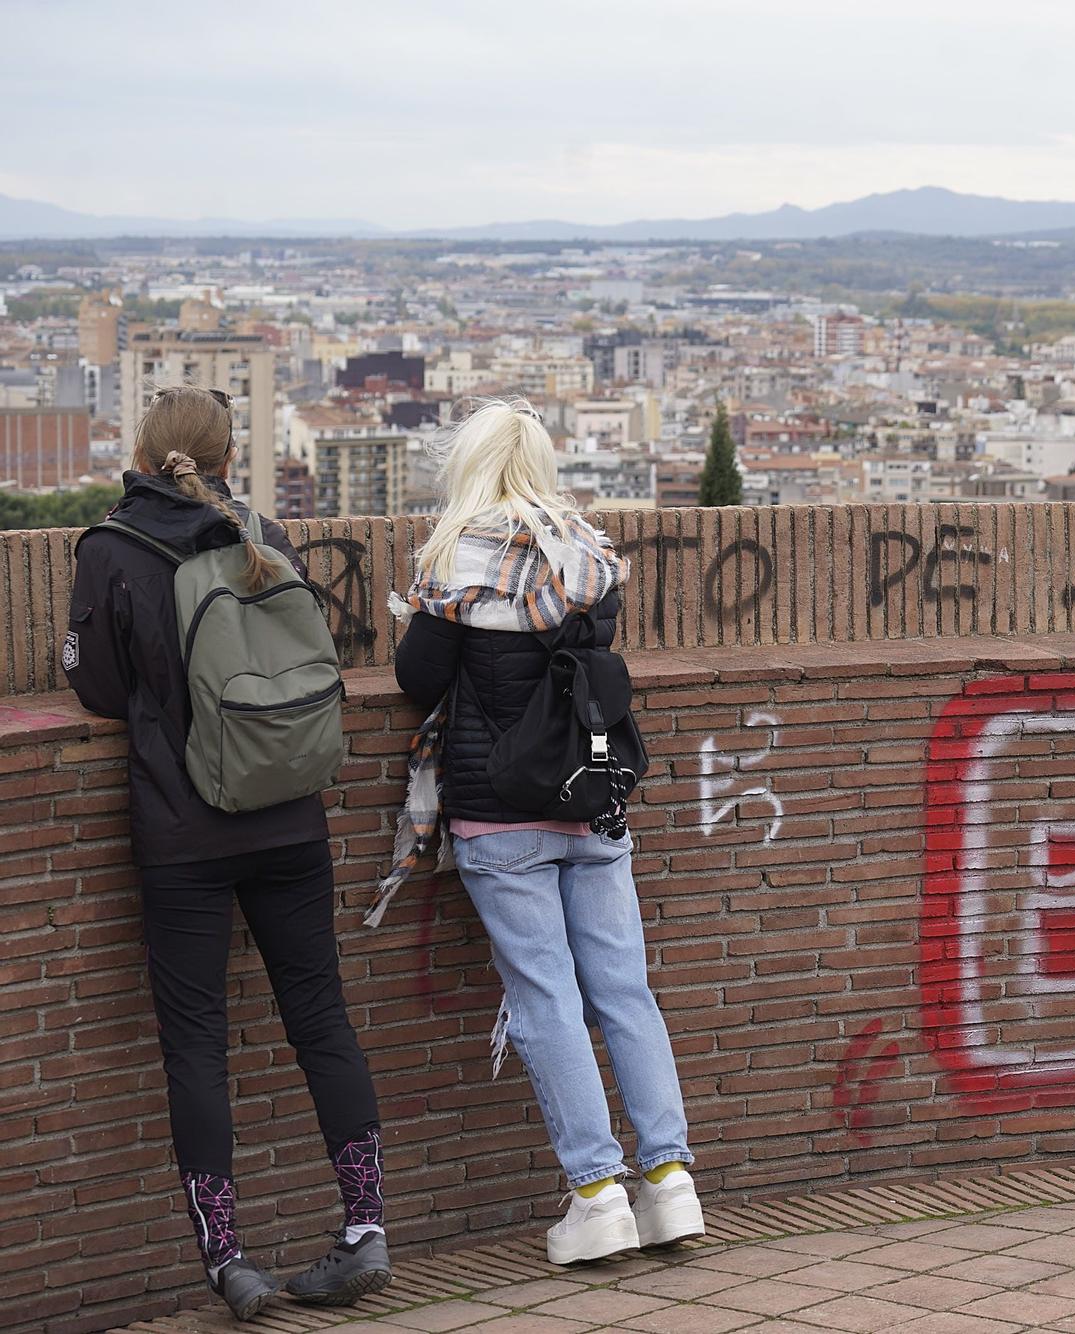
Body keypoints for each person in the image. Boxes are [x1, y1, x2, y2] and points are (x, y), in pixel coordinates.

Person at [64, 385, 390, 1320]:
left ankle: (229, 1260)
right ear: (225, 454)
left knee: (197, 1044)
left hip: (182, 833)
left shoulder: (112, 551)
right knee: (322, 1018)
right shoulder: (265, 538)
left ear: (142, 450)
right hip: (291, 817)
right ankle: (366, 1226)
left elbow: (95, 690)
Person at [391, 397, 702, 1265]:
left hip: (500, 814)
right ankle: (671, 1183)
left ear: (471, 464)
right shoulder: (588, 556)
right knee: (625, 992)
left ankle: (597, 1193)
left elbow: (419, 679)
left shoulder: (462, 559)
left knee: (547, 1003)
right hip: (590, 801)